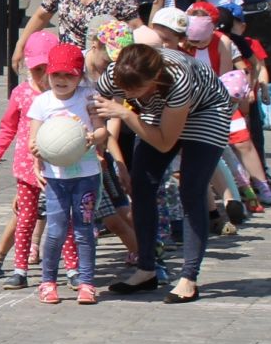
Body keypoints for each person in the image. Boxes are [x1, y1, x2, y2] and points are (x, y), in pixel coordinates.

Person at [94, 36, 236, 302]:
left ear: (156, 77)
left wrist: (126, 114)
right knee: (142, 183)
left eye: (139, 91)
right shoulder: (117, 73)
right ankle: (146, 269)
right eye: (128, 92)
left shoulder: (177, 77)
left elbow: (164, 142)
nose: (134, 96)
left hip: (206, 109)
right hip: (159, 111)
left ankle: (188, 278)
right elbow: (94, 106)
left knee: (191, 189)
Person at [26, 43, 106, 305]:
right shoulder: (42, 102)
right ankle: (48, 281)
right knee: (56, 230)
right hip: (57, 178)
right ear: (48, 75)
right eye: (56, 74)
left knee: (84, 230)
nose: (62, 80)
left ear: (80, 76)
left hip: (86, 175)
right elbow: (33, 141)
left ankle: (87, 283)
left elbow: (103, 131)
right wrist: (37, 153)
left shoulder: (87, 97)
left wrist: (93, 137)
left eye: (69, 75)